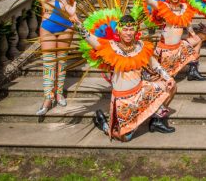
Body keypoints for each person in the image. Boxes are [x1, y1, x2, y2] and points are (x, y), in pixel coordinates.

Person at [0, 0, 94, 116]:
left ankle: (58, 93)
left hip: (66, 27)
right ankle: (47, 97)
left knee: (61, 61)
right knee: (49, 63)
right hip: (47, 27)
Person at [70, 11, 177, 141]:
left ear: (136, 30)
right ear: (119, 31)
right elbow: (88, 37)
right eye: (125, 29)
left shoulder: (142, 47)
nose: (128, 33)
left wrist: (168, 78)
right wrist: (76, 21)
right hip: (123, 99)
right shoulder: (110, 47)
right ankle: (103, 123)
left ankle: (156, 121)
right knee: (125, 137)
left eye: (131, 29)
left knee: (172, 86)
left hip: (141, 91)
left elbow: (156, 66)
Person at [140, 0, 206, 81]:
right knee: (163, 79)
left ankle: (193, 71)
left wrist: (192, 33)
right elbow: (150, 1)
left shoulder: (184, 7)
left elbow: (187, 21)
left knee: (198, 39)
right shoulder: (164, 6)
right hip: (167, 50)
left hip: (179, 47)